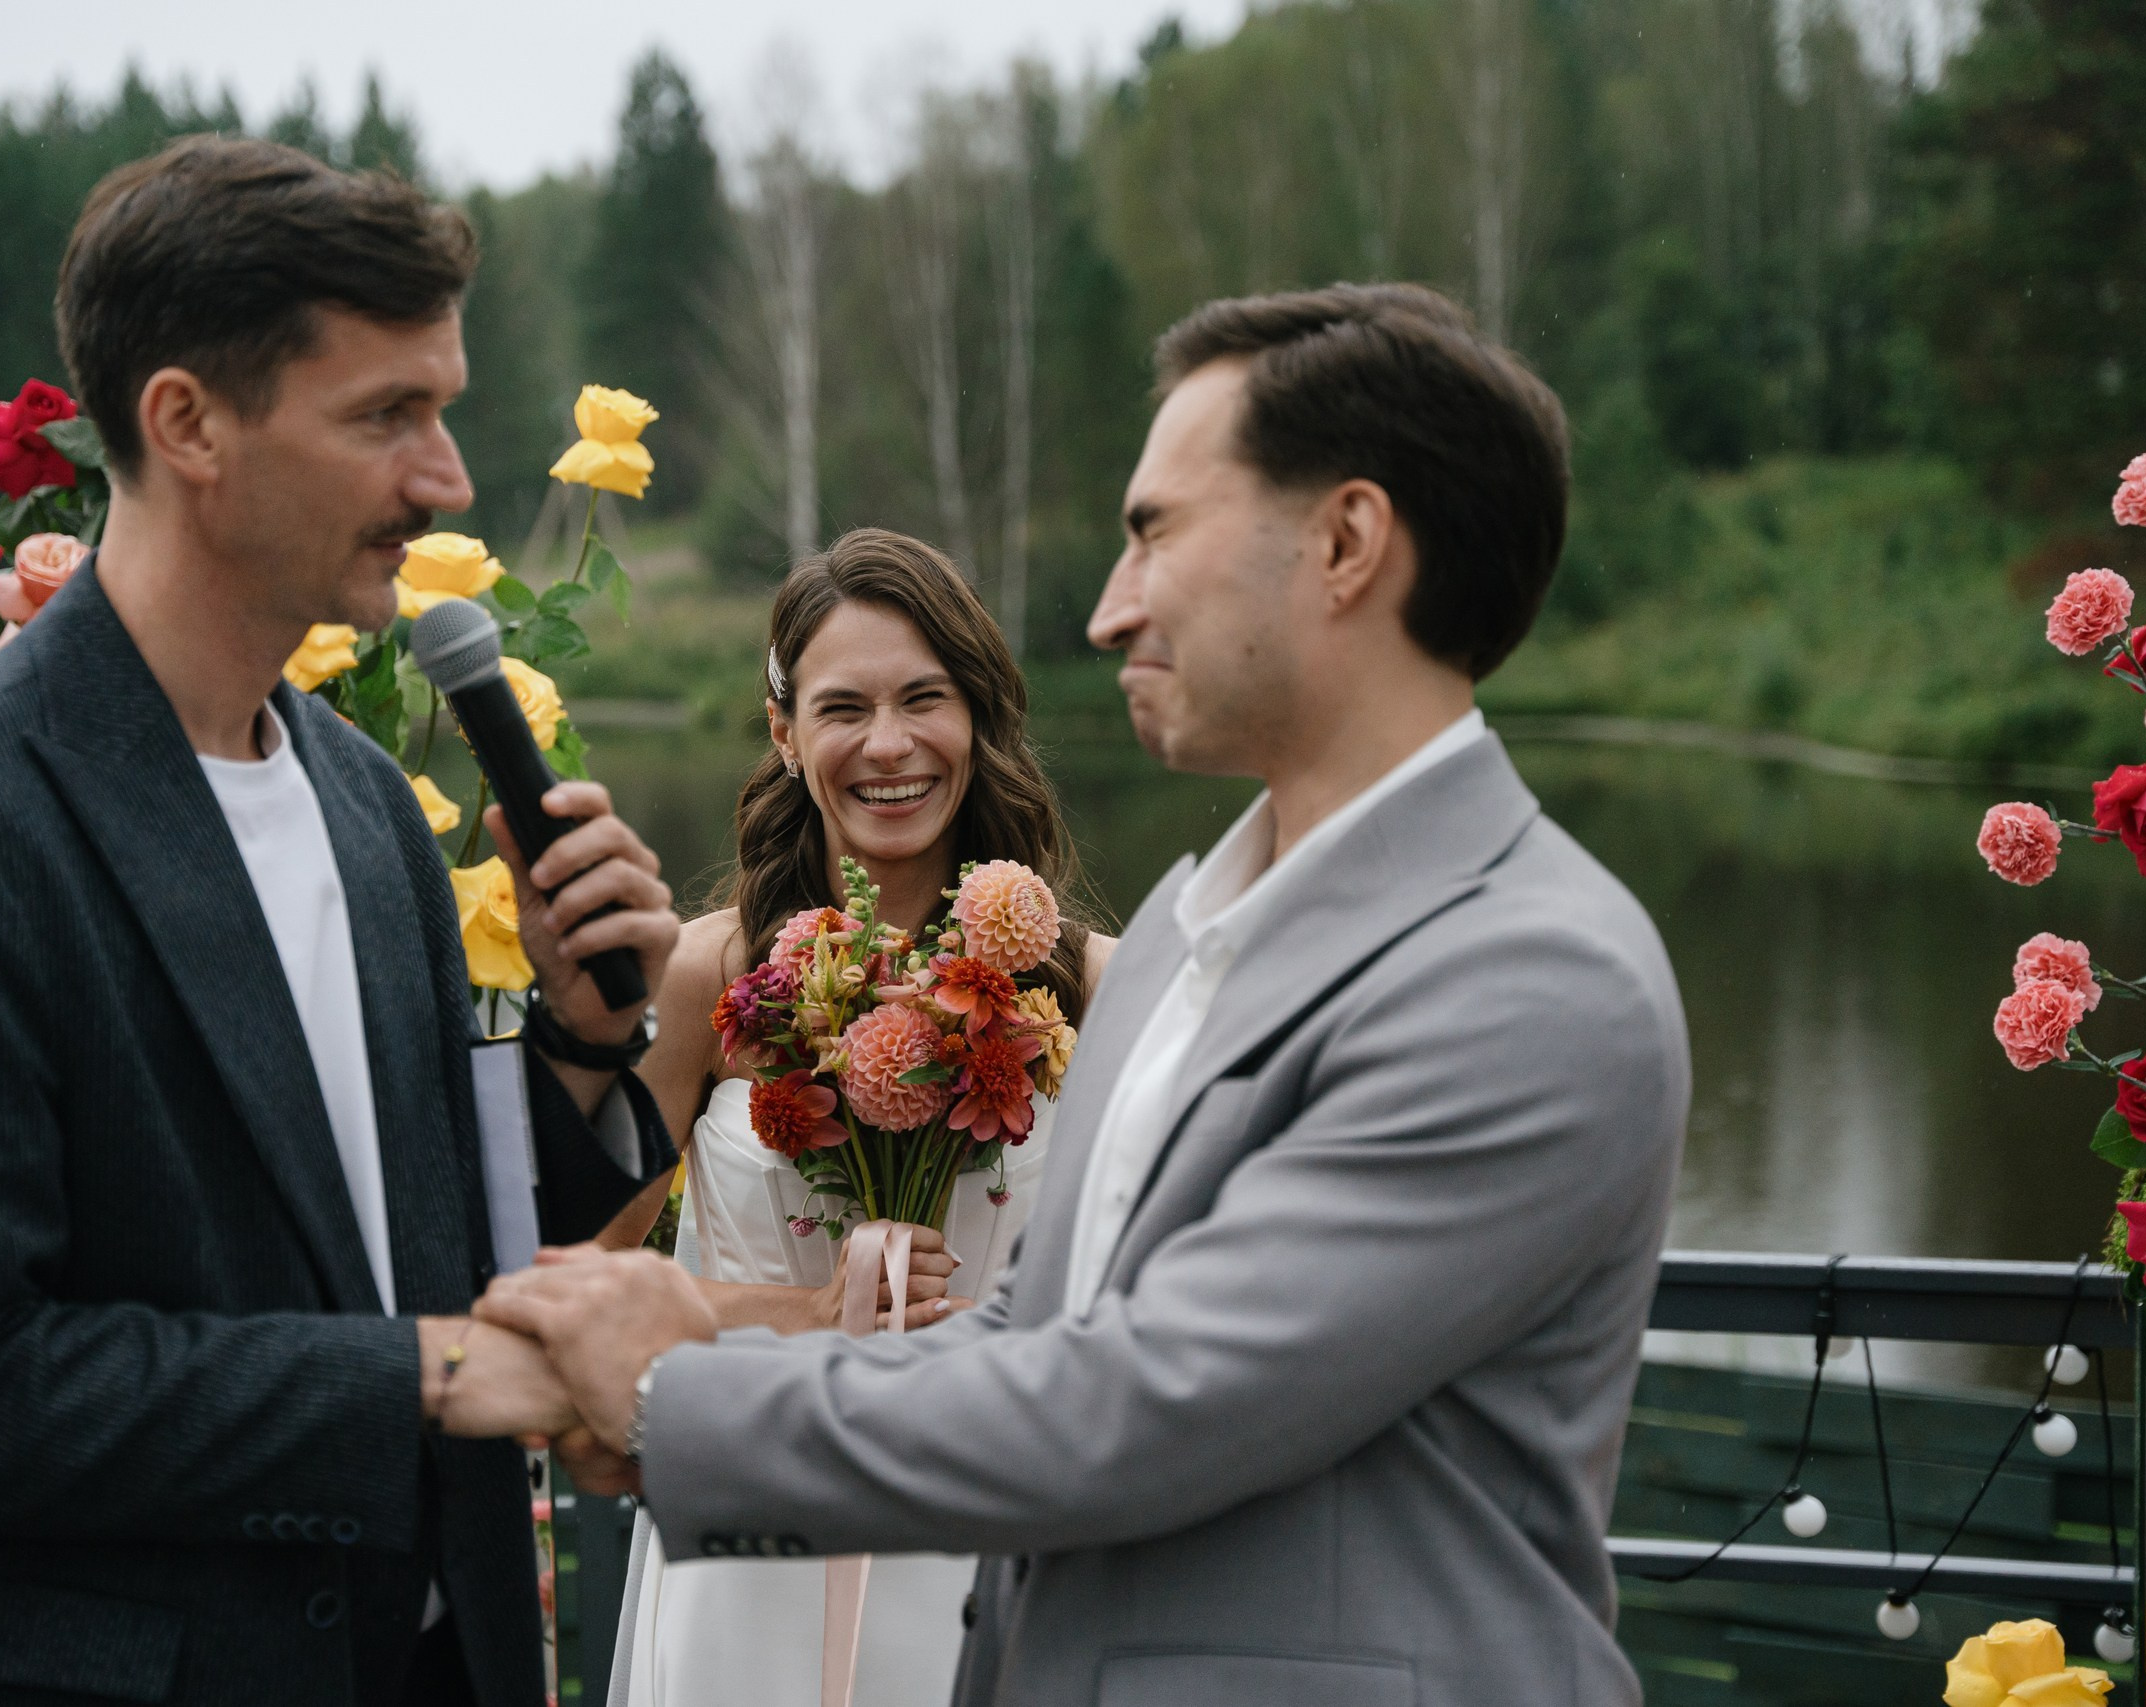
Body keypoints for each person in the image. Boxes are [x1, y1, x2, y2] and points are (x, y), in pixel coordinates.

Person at [471, 284, 1692, 1707]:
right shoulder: (1186, 930)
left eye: (1155, 530)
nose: (1112, 611)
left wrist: (683, 1399)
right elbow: (1033, 1336)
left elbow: (1144, 1400)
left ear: (1348, 543)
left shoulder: (1531, 974)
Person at [0, 135, 681, 1707]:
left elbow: (401, 1242)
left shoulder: (366, 802)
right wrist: (430, 1377)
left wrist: (579, 1053)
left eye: (440, 411)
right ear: (187, 423)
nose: (444, 477)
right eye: (388, 415)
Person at [597, 529, 1115, 1707]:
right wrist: (808, 1313)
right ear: (785, 734)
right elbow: (588, 1287)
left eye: (925, 699)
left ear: (978, 719)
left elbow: (1166, 1300)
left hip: (997, 1529)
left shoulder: (1095, 995)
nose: (888, 745)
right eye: (844, 708)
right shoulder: (694, 982)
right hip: (752, 1539)